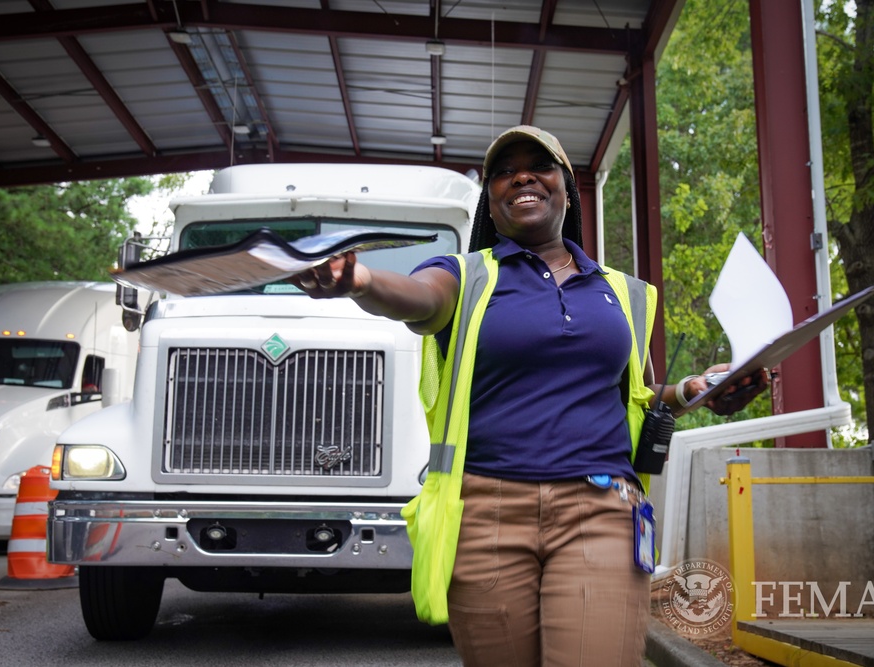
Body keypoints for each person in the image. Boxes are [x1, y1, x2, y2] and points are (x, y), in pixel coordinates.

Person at [291, 125, 768, 666]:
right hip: (487, 512)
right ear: (490, 202)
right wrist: (361, 281)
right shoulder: (465, 276)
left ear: (565, 188)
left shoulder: (621, 292)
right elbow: (418, 299)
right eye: (503, 170)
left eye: (538, 165)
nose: (521, 175)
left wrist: (694, 389)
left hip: (601, 509)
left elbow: (637, 394)